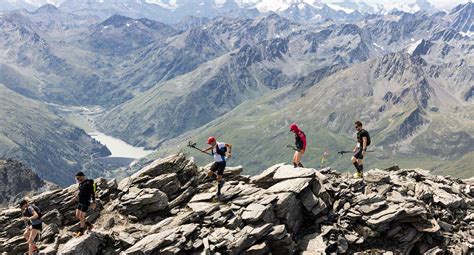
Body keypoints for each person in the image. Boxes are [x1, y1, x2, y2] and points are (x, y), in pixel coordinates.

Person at [73, 171, 96, 237]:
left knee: (82, 216)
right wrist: (76, 196)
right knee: (78, 216)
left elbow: (92, 193)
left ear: (82, 176)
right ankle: (89, 225)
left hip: (86, 202)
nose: (77, 180)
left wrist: (93, 202)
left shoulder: (88, 183)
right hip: (80, 201)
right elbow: (81, 191)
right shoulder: (81, 183)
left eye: (78, 178)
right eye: (77, 178)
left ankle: (81, 231)